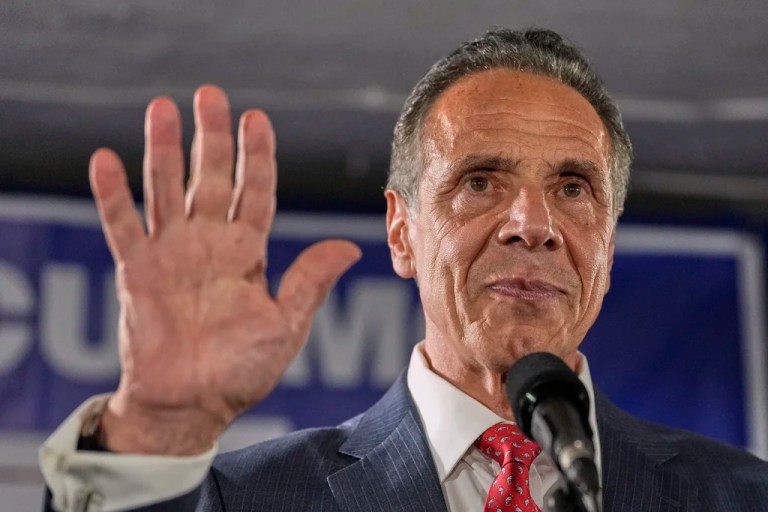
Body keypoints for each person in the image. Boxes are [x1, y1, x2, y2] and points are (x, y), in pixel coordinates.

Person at [40, 28, 768, 512]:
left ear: (607, 247)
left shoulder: (739, 496)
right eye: (481, 181)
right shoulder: (251, 498)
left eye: (574, 189)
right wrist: (155, 436)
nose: (535, 225)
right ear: (402, 231)